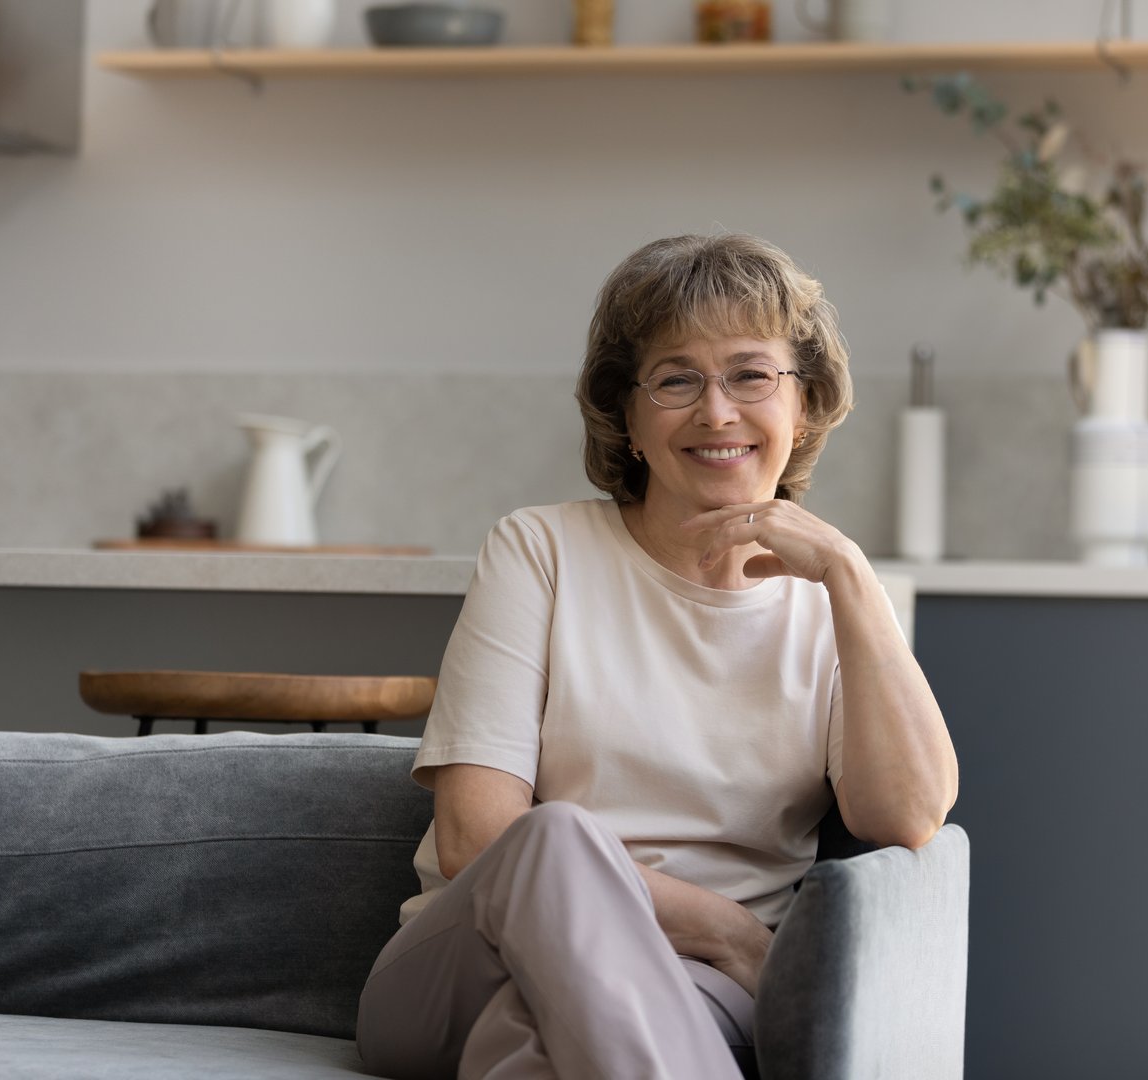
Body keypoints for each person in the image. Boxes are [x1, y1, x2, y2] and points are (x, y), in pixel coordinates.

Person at [355, 233, 959, 1080]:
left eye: (751, 375)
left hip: (689, 994)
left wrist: (853, 580)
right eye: (677, 379)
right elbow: (475, 838)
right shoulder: (540, 550)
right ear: (629, 418)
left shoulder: (834, 603)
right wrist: (733, 932)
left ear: (804, 404)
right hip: (460, 968)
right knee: (556, 841)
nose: (717, 412)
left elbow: (907, 819)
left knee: (526, 1050)